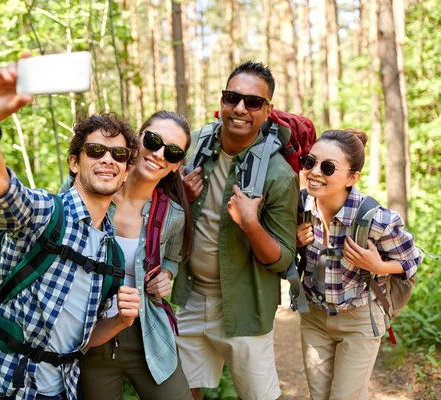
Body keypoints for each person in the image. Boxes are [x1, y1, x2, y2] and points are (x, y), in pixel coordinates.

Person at [0, 51, 142, 400]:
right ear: (75, 162)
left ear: (125, 170)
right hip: (3, 385)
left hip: (60, 390)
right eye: (95, 151)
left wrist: (120, 321)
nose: (108, 159)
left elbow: (84, 339)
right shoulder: (45, 213)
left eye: (118, 155)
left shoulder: (112, 253)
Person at [171, 60, 298, 400]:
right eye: (232, 98)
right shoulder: (193, 146)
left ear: (267, 111)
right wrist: (180, 196)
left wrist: (251, 225)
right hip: (189, 296)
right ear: (222, 101)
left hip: (245, 306)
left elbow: (282, 258)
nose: (240, 108)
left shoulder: (279, 176)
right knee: (180, 391)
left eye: (253, 102)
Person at [296, 129, 422, 400]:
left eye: (328, 167)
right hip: (314, 317)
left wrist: (379, 265)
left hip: (359, 321)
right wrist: (296, 241)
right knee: (319, 396)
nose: (315, 172)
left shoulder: (377, 220)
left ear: (352, 178)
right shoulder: (301, 206)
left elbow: (412, 258)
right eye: (310, 162)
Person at [79, 111, 194, 400]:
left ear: (176, 165)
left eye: (172, 151)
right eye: (153, 141)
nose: (158, 153)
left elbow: (172, 259)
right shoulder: (90, 191)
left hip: (148, 333)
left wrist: (167, 275)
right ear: (136, 139)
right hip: (89, 338)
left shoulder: (173, 215)